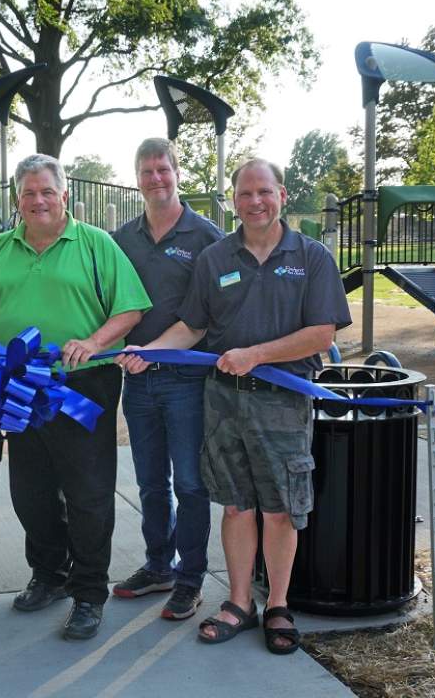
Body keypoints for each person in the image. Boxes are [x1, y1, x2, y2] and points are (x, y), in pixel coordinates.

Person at [118, 158, 351, 654]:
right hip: (223, 402)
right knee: (237, 506)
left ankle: (279, 606)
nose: (255, 202)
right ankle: (240, 602)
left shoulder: (311, 257)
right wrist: (149, 351)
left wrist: (257, 355)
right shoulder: (215, 258)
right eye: (244, 194)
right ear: (233, 201)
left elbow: (322, 333)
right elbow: (193, 327)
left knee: (281, 508)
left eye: (263, 192)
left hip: (283, 401)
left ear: (281, 195)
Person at [0, 154, 151, 640]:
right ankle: (48, 574)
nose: (38, 200)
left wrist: (93, 342)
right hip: (17, 387)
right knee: (29, 493)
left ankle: (89, 592)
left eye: (47, 191)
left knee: (88, 493)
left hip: (81, 386)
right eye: (28, 193)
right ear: (17, 199)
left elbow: (130, 309)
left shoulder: (96, 244)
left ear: (64, 194)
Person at [110, 138, 224, 620]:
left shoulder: (207, 237)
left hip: (186, 382)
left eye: (163, 169)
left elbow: (211, 316)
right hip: (136, 382)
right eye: (147, 171)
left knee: (191, 485)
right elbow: (109, 304)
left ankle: (191, 577)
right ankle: (160, 565)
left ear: (177, 173)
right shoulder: (121, 239)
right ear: (136, 178)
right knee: (151, 483)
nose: (156, 178)